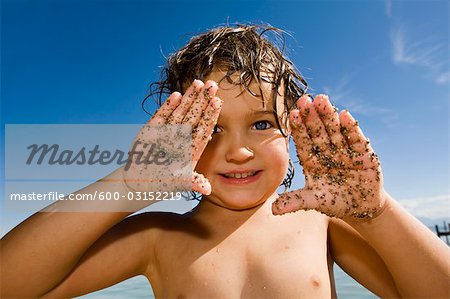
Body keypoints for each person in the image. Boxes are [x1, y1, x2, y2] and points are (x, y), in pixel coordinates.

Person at [1, 24, 449, 299]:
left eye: (259, 124)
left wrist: (377, 211)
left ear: (293, 129)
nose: (238, 151)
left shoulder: (322, 226)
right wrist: (128, 185)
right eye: (211, 128)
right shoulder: (159, 238)